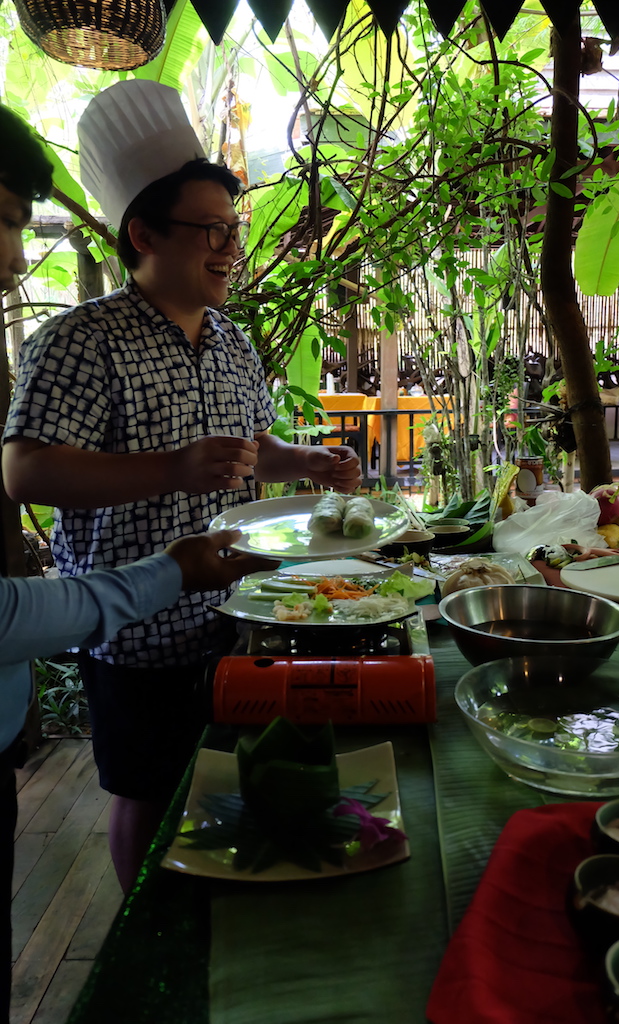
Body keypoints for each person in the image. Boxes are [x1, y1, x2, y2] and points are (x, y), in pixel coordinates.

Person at [1, 81, 362, 894]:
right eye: (212, 230)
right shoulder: (79, 341)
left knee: (222, 778)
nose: (232, 247)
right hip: (132, 624)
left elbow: (249, 452)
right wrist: (170, 468)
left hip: (238, 611)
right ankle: (144, 929)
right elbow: (26, 470)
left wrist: (309, 461)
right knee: (142, 790)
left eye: (233, 230)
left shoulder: (232, 340)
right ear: (144, 233)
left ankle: (209, 909)